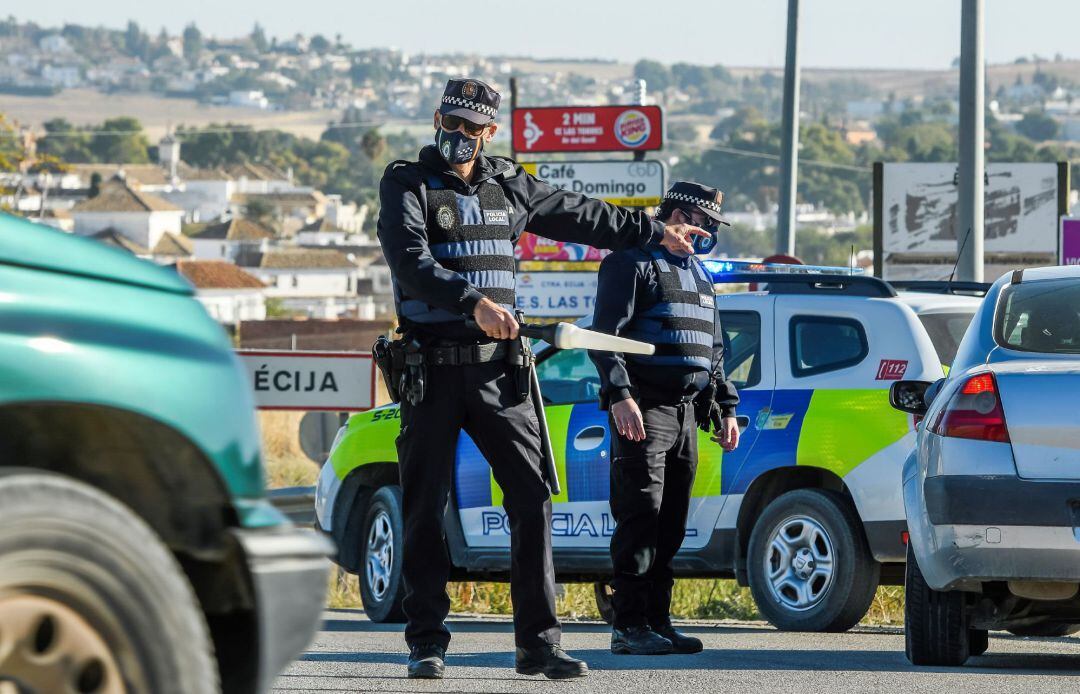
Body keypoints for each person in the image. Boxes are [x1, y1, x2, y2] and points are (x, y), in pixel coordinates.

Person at [377, 78, 708, 680]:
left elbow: (585, 216)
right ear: (436, 119)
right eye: (452, 124)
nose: (460, 137)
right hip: (431, 368)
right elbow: (409, 260)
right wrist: (472, 299)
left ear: (489, 132)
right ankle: (426, 640)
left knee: (531, 500)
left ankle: (538, 644)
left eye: (472, 129)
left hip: (499, 372)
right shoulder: (407, 183)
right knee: (425, 507)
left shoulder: (510, 185)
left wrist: (656, 232)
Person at [589, 181, 741, 655]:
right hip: (644, 409)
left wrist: (724, 409)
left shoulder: (698, 273)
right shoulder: (629, 263)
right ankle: (628, 624)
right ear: (678, 214)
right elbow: (603, 336)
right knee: (640, 518)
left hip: (686, 415)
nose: (709, 233)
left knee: (670, 524)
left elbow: (713, 351)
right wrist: (620, 394)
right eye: (705, 224)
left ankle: (658, 620)